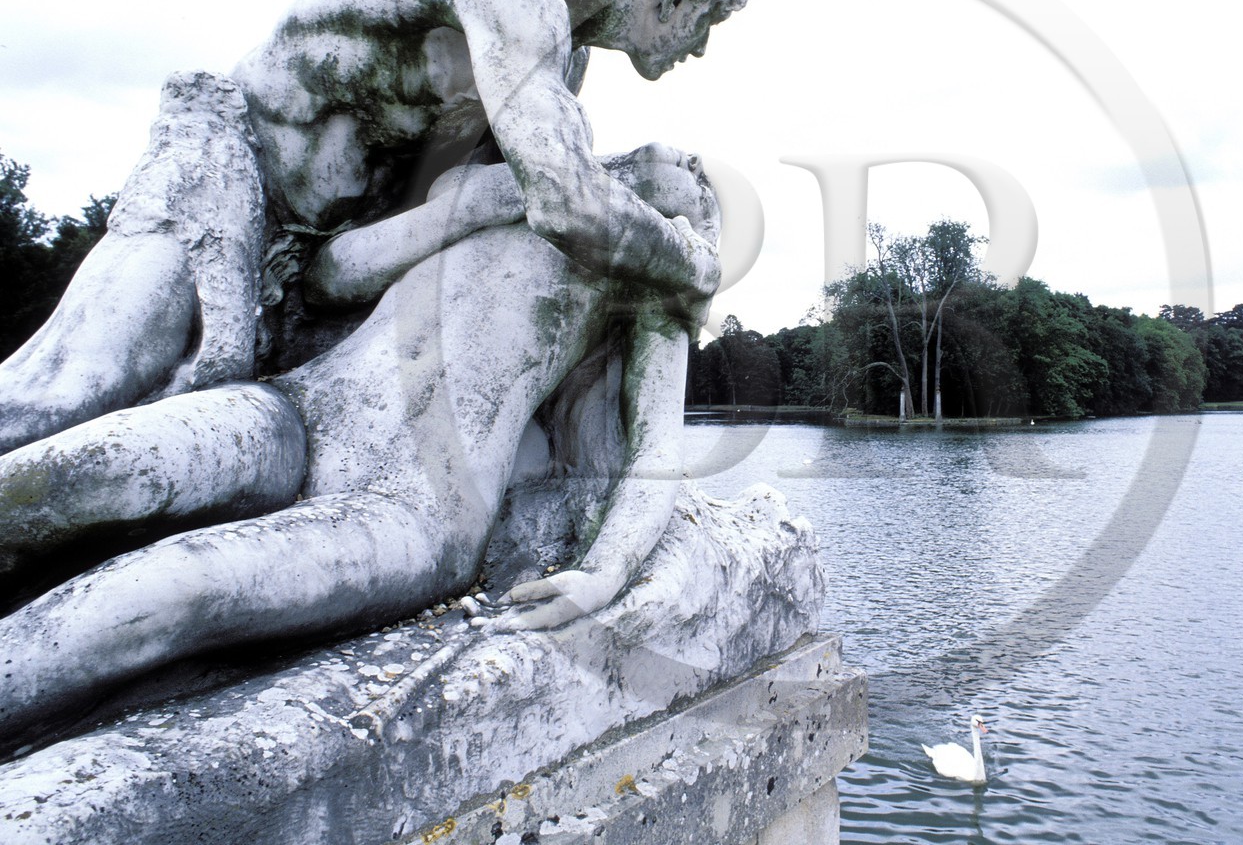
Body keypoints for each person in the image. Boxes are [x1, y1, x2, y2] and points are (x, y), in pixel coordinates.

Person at [0, 0, 753, 452]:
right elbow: (566, 202)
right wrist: (694, 264)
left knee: (189, 442)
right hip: (231, 179)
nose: (703, 47)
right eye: (711, 18)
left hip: (313, 281)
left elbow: (348, 267)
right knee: (70, 391)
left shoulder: (554, 76)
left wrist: (500, 203)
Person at [0, 143, 718, 743]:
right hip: (303, 409)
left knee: (168, 590)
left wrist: (603, 573)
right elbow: (332, 274)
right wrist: (486, 203)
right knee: (67, 474)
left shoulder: (656, 270)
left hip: (411, 505)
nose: (686, 167)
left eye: (700, 188)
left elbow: (656, 452)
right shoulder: (491, 183)